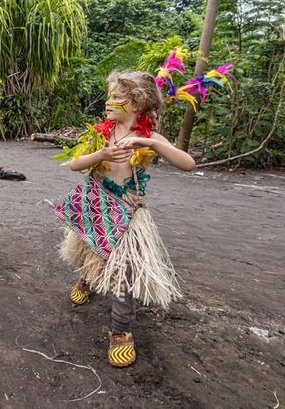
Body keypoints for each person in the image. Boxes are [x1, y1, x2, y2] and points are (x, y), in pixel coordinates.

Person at [54, 71, 195, 367]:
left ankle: (120, 330)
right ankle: (87, 278)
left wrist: (155, 145)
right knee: (90, 247)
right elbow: (74, 164)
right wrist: (100, 155)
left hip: (127, 213)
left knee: (123, 272)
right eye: (111, 95)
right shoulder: (101, 132)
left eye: (118, 97)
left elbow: (188, 164)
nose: (109, 101)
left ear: (137, 103)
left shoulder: (149, 137)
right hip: (95, 202)